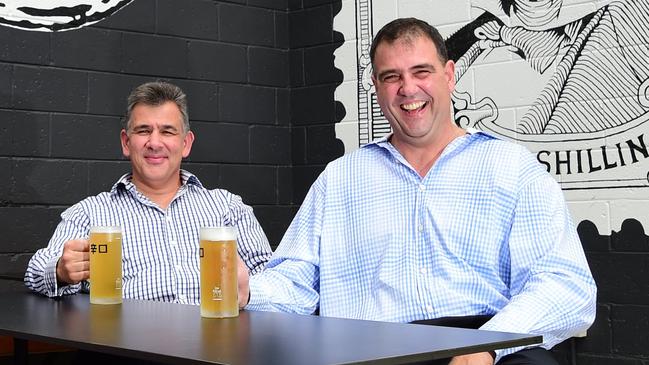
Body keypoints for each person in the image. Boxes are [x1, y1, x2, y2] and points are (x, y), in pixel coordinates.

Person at [237, 18, 596, 365]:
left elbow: (566, 285)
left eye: (421, 72)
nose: (408, 89)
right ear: (376, 87)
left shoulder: (512, 167)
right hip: (373, 350)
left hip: (492, 342)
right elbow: (296, 282)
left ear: (450, 75)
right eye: (391, 77)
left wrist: (489, 345)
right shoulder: (339, 179)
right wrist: (249, 290)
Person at [25, 81, 272, 305]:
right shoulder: (90, 214)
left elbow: (273, 278)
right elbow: (34, 272)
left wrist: (248, 292)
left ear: (186, 143)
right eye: (143, 130)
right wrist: (60, 270)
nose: (154, 143)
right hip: (128, 349)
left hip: (218, 347)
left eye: (167, 131)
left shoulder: (228, 208)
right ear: (126, 142)